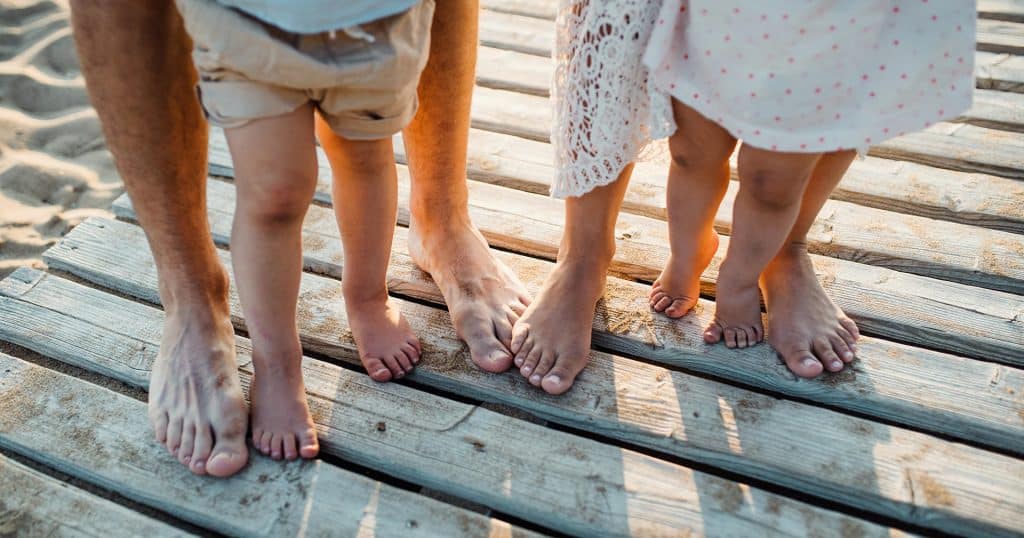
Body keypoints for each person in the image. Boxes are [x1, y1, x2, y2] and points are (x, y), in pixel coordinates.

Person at [69, 0, 530, 477]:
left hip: (376, 16)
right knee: (272, 191)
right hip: (246, 17)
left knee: (365, 157)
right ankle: (277, 360)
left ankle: (368, 299)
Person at [511, 0, 975, 394]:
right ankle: (686, 253)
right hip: (722, 17)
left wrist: (734, 286)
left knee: (776, 180)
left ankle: (754, 269)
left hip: (830, 27)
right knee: (692, 151)